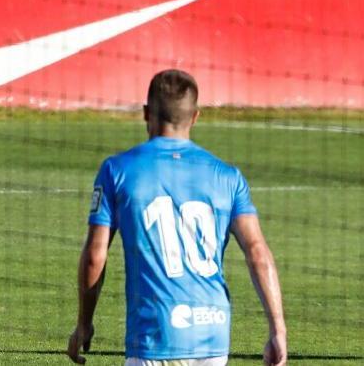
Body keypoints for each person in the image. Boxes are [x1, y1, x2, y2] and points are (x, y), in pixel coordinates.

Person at [68, 69, 287, 366]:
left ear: (146, 113)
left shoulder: (117, 170)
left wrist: (84, 323)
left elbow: (96, 255)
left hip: (155, 336)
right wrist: (278, 330)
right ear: (195, 117)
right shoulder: (227, 176)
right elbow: (258, 252)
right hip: (213, 336)